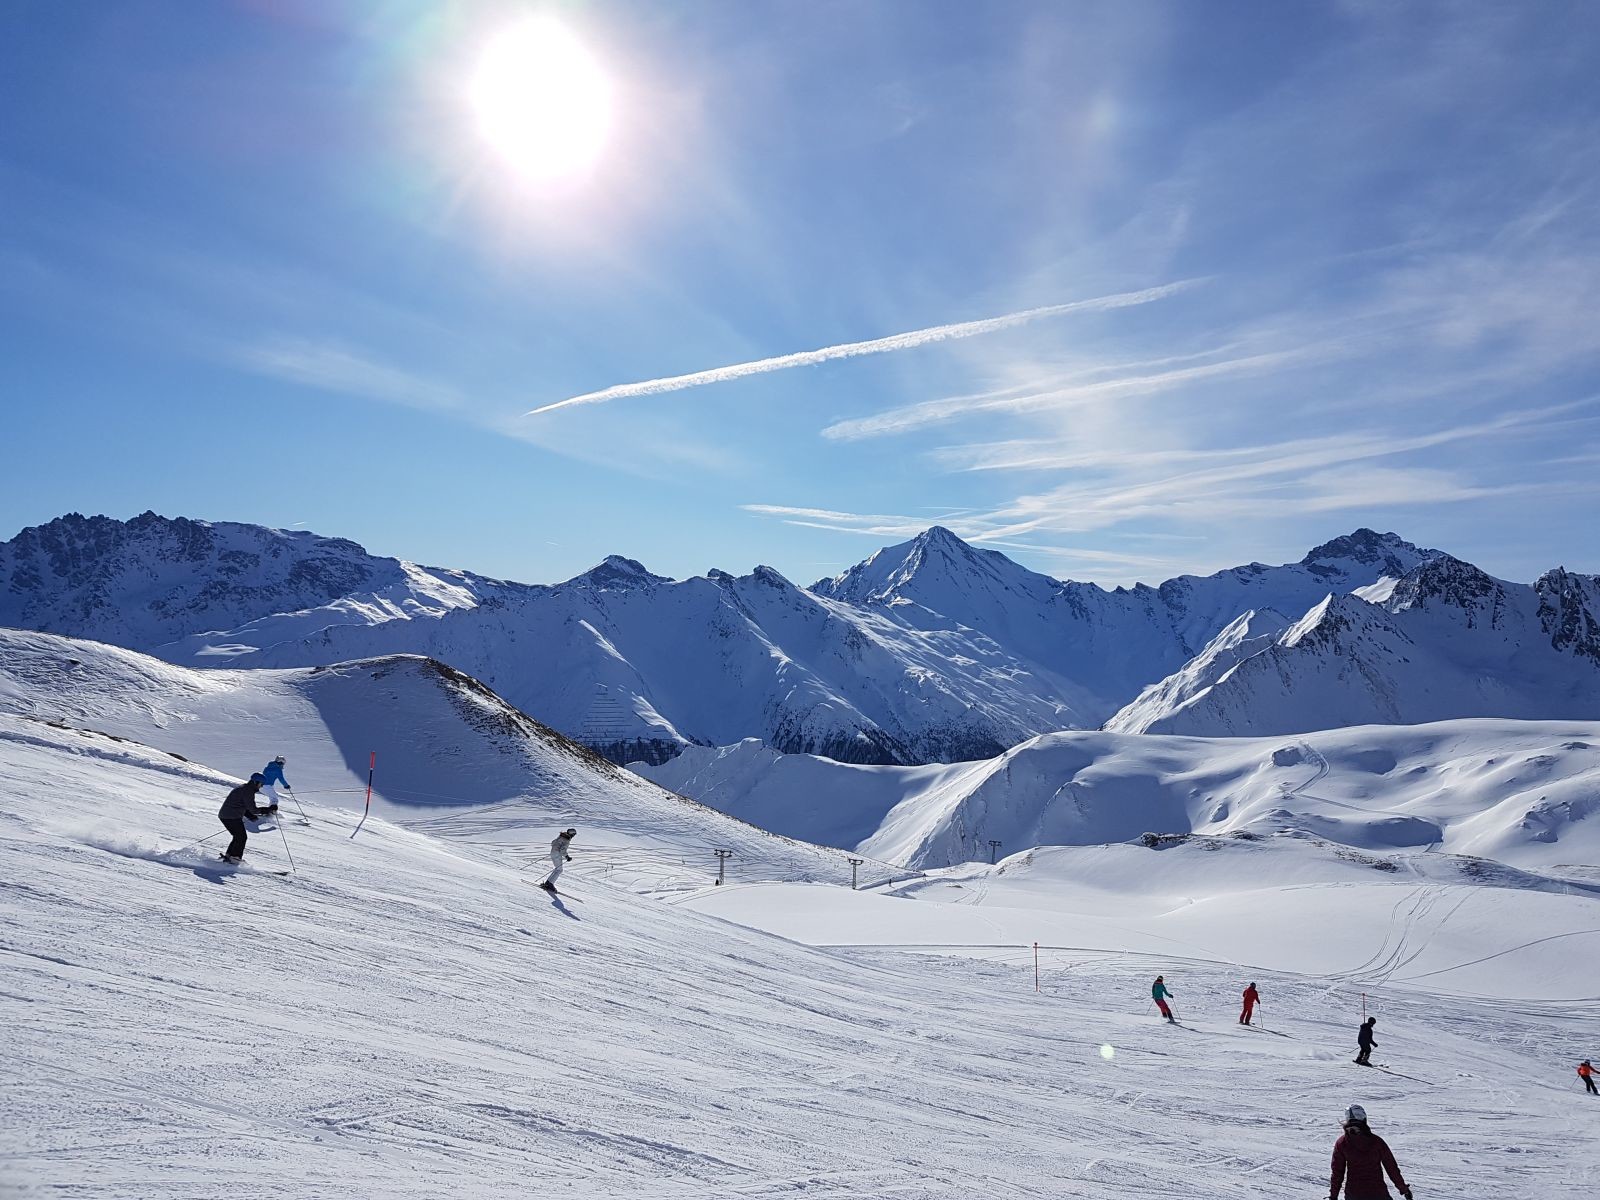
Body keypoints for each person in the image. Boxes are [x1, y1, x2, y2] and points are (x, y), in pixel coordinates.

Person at [1329, 1104, 1411, 1200]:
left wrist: (1333, 1196)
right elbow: (1391, 1168)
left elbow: (1337, 1172)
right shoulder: (1376, 1141)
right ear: (1364, 1118)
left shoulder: (1342, 1143)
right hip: (1378, 1194)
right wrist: (1403, 1189)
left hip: (1354, 1195)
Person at [217, 774, 278, 863]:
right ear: (255, 782)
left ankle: (229, 856)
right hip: (231, 816)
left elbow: (242, 804)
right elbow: (254, 809)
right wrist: (269, 809)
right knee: (241, 837)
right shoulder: (248, 791)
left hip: (227, 815)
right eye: (261, 784)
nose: (261, 786)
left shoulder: (244, 788)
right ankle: (235, 858)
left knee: (238, 836)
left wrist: (250, 816)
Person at [540, 828, 576, 893]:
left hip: (552, 853)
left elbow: (553, 842)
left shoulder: (561, 836)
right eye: (574, 834)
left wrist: (555, 849)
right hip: (557, 854)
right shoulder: (566, 839)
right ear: (572, 834)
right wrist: (567, 857)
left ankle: (548, 882)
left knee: (557, 869)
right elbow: (562, 850)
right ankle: (550, 884)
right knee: (559, 870)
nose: (573, 836)